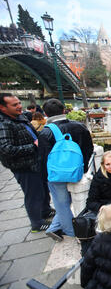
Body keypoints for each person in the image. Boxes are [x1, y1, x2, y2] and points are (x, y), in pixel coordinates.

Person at [38, 98, 94, 241]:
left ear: (45, 114)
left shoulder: (45, 133)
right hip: (77, 171)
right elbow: (89, 148)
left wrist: (45, 178)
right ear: (64, 111)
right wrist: (84, 167)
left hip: (57, 175)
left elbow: (43, 159)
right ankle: (55, 228)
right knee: (69, 203)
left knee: (61, 204)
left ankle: (71, 232)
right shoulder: (80, 126)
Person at [0, 93, 53, 232]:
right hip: (23, 165)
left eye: (18, 103)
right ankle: (37, 223)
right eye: (14, 105)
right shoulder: (3, 124)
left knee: (42, 188)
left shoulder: (20, 117)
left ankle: (45, 210)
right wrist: (34, 146)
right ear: (3, 107)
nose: (19, 106)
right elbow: (6, 149)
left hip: (36, 161)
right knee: (33, 194)